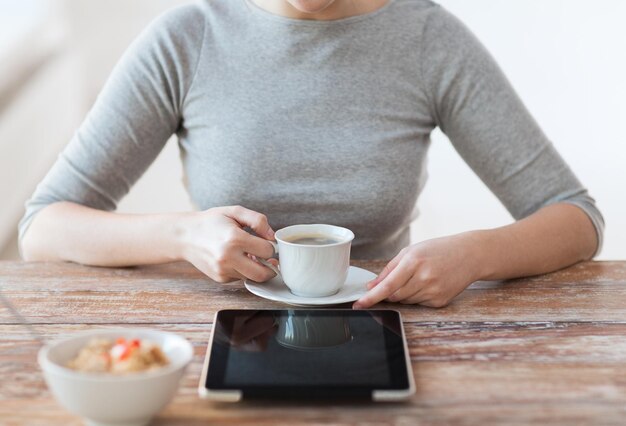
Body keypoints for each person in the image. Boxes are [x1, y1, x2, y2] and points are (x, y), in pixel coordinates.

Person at [19, 0, 604, 309]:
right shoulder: (187, 38)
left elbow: (576, 218)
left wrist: (477, 254)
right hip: (223, 335)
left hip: (385, 327)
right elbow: (42, 228)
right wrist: (182, 235)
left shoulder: (428, 39)